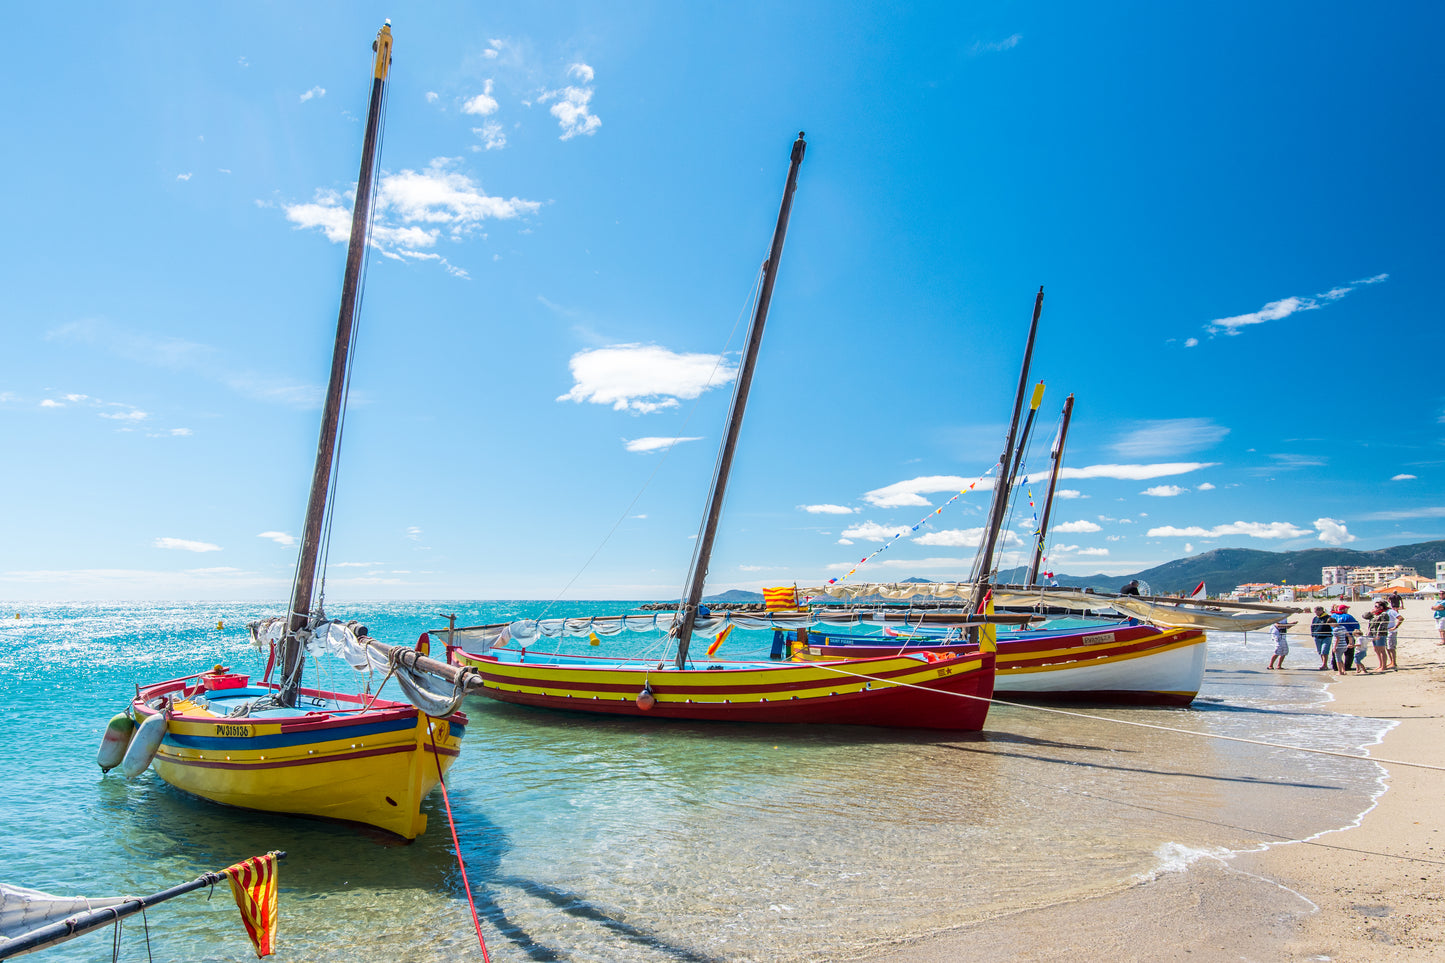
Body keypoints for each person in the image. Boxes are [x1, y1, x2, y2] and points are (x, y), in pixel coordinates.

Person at [1331, 604, 1359, 675]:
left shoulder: (1333, 616)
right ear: (1344, 610)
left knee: (1336, 653)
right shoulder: (1348, 616)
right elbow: (1356, 625)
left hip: (1336, 636)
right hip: (1346, 635)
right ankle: (1347, 666)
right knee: (1349, 653)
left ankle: (1335, 666)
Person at [1367, 601, 1390, 671]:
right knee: (1376, 649)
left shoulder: (1384, 614)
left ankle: (1384, 666)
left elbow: (1383, 624)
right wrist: (1371, 612)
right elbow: (1364, 616)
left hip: (1380, 634)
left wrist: (1379, 634)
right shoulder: (1373, 614)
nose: (1375, 608)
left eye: (1377, 606)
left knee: (1382, 650)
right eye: (1375, 606)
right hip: (1373, 634)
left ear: (1381, 607)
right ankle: (1380, 664)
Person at [1385, 600, 1403, 669]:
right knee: (1387, 647)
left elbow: (1401, 618)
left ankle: (1394, 662)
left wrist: (1395, 627)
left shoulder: (1391, 611)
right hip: (1385, 631)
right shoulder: (1383, 612)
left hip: (1391, 631)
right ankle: (1391, 662)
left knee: (1391, 647)